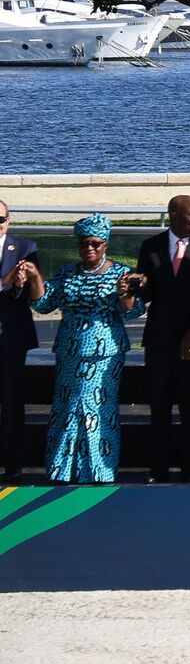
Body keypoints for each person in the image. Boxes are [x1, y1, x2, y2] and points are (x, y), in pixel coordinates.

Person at [17, 214, 143, 484]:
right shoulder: (67, 273)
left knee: (96, 410)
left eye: (96, 244)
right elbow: (42, 304)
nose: (89, 248)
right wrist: (36, 276)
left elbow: (133, 314)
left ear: (106, 244)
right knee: (66, 408)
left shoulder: (120, 273)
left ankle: (98, 470)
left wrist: (126, 294)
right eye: (84, 243)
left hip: (104, 354)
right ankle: (63, 470)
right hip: (70, 353)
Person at [134, 195, 190, 482]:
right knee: (159, 405)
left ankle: (189, 467)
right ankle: (158, 466)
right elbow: (147, 296)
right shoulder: (152, 247)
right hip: (158, 339)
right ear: (174, 215)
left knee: (189, 405)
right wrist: (139, 287)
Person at [0, 200, 41, 482]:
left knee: (12, 402)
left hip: (11, 336)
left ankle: (13, 462)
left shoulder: (26, 248)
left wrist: (17, 284)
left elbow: (31, 295)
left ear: (9, 220)